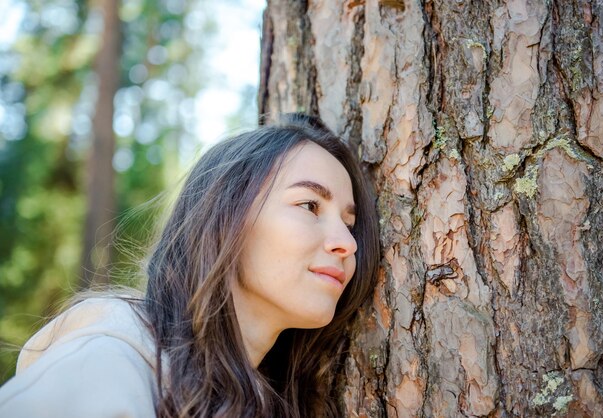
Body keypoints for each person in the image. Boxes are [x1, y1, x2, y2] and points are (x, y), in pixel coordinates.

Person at [0, 113, 380, 417]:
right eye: (309, 206)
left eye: (349, 225)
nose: (347, 244)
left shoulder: (259, 395)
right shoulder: (108, 361)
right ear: (224, 217)